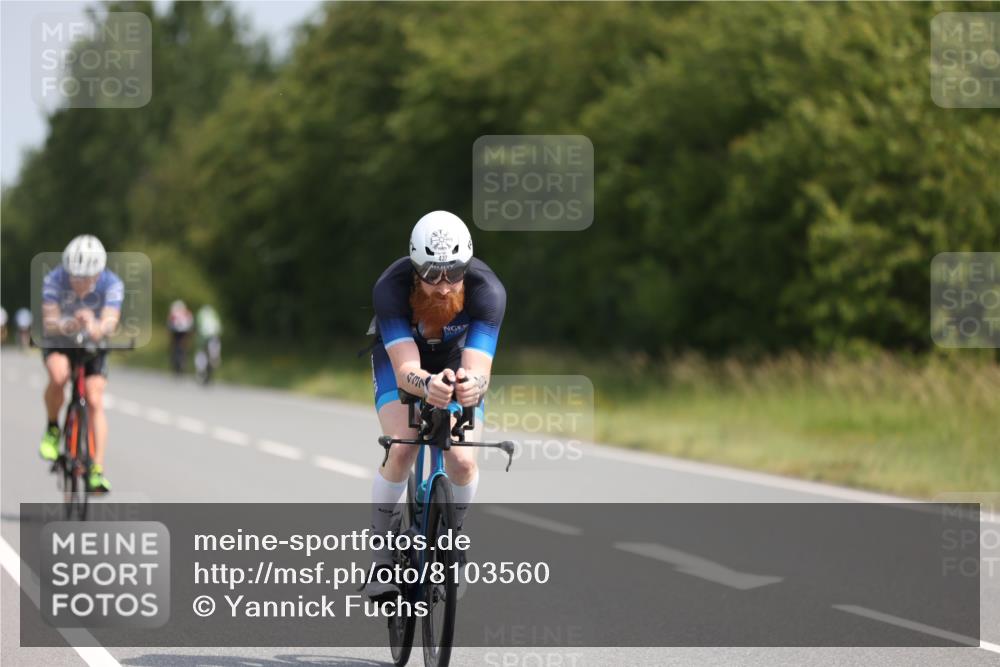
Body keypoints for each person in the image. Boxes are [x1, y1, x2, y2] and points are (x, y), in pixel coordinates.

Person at [365, 210, 506, 600]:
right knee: (404, 443)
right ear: (414, 270)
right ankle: (379, 554)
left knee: (462, 459)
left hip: (454, 359)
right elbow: (405, 367)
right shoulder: (390, 288)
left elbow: (480, 370)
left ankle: (454, 541)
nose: (444, 287)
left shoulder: (487, 290)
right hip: (403, 360)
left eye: (454, 273)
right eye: (432, 275)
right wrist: (427, 384)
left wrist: (467, 385)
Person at [38, 234, 123, 492]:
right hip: (60, 341)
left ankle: (96, 468)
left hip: (92, 343)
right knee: (59, 376)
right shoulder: (54, 279)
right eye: (74, 276)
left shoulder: (112, 283)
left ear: (98, 274)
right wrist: (70, 322)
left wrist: (94, 325)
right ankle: (53, 429)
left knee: (95, 398)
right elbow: (49, 322)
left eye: (86, 278)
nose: (79, 283)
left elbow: (110, 322)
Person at [194, 304, 222, 383]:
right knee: (213, 352)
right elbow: (218, 326)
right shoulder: (214, 313)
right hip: (214, 336)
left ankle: (200, 369)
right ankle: (215, 358)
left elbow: (197, 326)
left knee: (201, 352)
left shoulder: (200, 313)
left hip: (204, 337)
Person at [166, 300, 194, 375]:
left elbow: (169, 323)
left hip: (175, 331)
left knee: (174, 345)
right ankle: (183, 362)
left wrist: (169, 333)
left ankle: (175, 361)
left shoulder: (173, 311)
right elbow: (191, 323)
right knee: (184, 345)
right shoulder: (187, 312)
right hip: (184, 331)